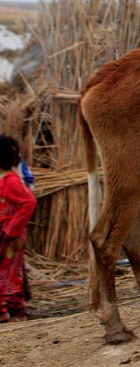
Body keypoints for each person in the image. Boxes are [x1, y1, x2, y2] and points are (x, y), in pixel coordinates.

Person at [0, 135, 37, 322]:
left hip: (10, 235)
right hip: (5, 232)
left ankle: (12, 311)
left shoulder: (10, 180)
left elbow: (28, 201)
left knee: (9, 273)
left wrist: (12, 230)